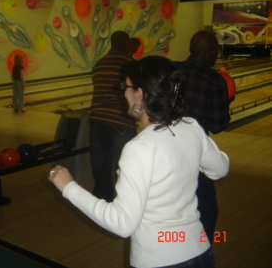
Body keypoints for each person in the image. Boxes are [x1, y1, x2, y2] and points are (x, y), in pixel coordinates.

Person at [49, 56, 229, 268]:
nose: (123, 91)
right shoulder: (191, 127)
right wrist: (189, 152)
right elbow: (221, 168)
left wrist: (69, 187)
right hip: (201, 253)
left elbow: (122, 224)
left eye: (126, 86)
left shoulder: (139, 148)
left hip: (159, 261)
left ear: (140, 94)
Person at [177, 30, 232, 244]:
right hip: (196, 151)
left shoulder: (174, 70)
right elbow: (218, 126)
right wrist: (226, 102)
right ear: (210, 52)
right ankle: (202, 246)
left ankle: (177, 243)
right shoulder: (214, 79)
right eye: (216, 51)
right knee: (206, 204)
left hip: (167, 147)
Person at [89, 31, 140, 202]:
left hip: (98, 121)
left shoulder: (99, 64)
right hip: (121, 121)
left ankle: (103, 208)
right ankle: (126, 207)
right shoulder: (131, 64)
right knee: (125, 168)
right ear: (126, 45)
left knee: (101, 169)